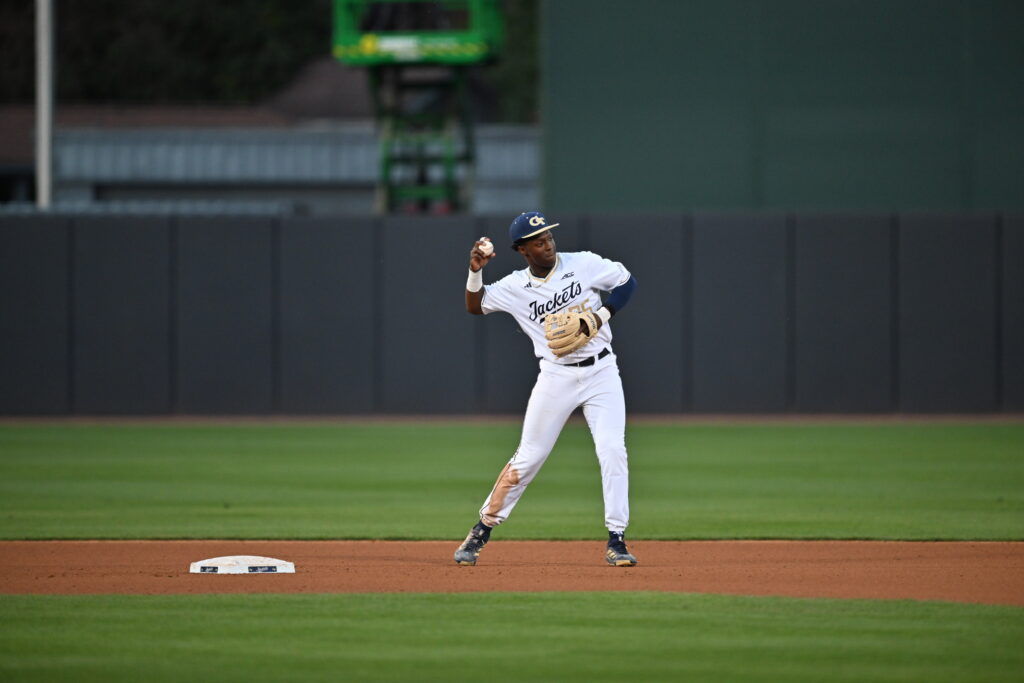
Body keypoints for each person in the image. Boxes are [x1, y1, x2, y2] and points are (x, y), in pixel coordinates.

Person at [454, 211, 639, 567]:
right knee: (528, 458)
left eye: (550, 237)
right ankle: (481, 530)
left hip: (602, 370)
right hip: (556, 376)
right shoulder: (514, 287)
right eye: (539, 241)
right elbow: (474, 306)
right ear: (523, 250)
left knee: (613, 449)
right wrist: (475, 270)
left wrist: (600, 316)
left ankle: (617, 539)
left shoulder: (583, 263)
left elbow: (628, 283)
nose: (548, 244)